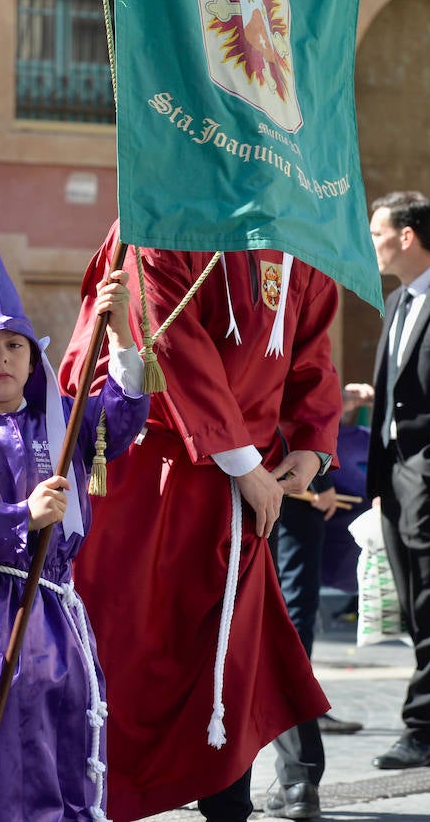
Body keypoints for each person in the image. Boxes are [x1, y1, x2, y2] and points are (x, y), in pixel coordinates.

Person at [61, 224, 340, 822]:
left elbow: (311, 347)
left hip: (245, 492)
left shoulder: (297, 235)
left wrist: (313, 444)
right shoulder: (162, 218)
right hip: (156, 481)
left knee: (229, 662)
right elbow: (169, 341)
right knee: (132, 652)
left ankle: (232, 804)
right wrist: (241, 461)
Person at [0, 126, 149, 821]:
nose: (2, 360)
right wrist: (23, 518)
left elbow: (124, 416)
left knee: (56, 754)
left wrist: (124, 328)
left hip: (52, 616)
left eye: (14, 345)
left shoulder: (64, 425)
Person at [364, 190, 430, 769]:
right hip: (395, 481)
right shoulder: (399, 302)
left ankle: (422, 729)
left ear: (407, 236)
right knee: (421, 606)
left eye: (378, 233)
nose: (371, 243)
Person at [264, 383, 373, 818]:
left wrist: (318, 471)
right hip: (260, 476)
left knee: (275, 623)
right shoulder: (294, 319)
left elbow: (315, 397)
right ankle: (298, 781)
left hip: (267, 477)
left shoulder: (295, 316)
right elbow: (313, 395)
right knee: (277, 623)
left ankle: (293, 779)